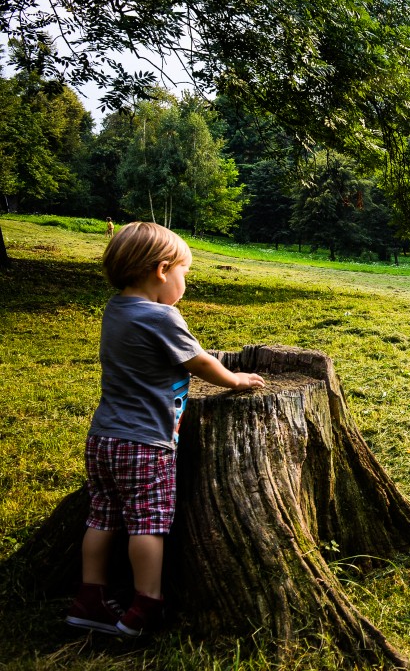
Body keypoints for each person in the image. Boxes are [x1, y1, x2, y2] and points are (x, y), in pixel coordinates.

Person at [65, 222, 265, 637]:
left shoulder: (116, 308)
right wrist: (235, 380)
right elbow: (200, 361)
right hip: (145, 443)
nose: (185, 283)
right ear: (161, 270)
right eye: (185, 273)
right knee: (147, 524)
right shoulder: (162, 316)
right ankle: (146, 605)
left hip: (103, 438)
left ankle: (90, 598)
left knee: (103, 516)